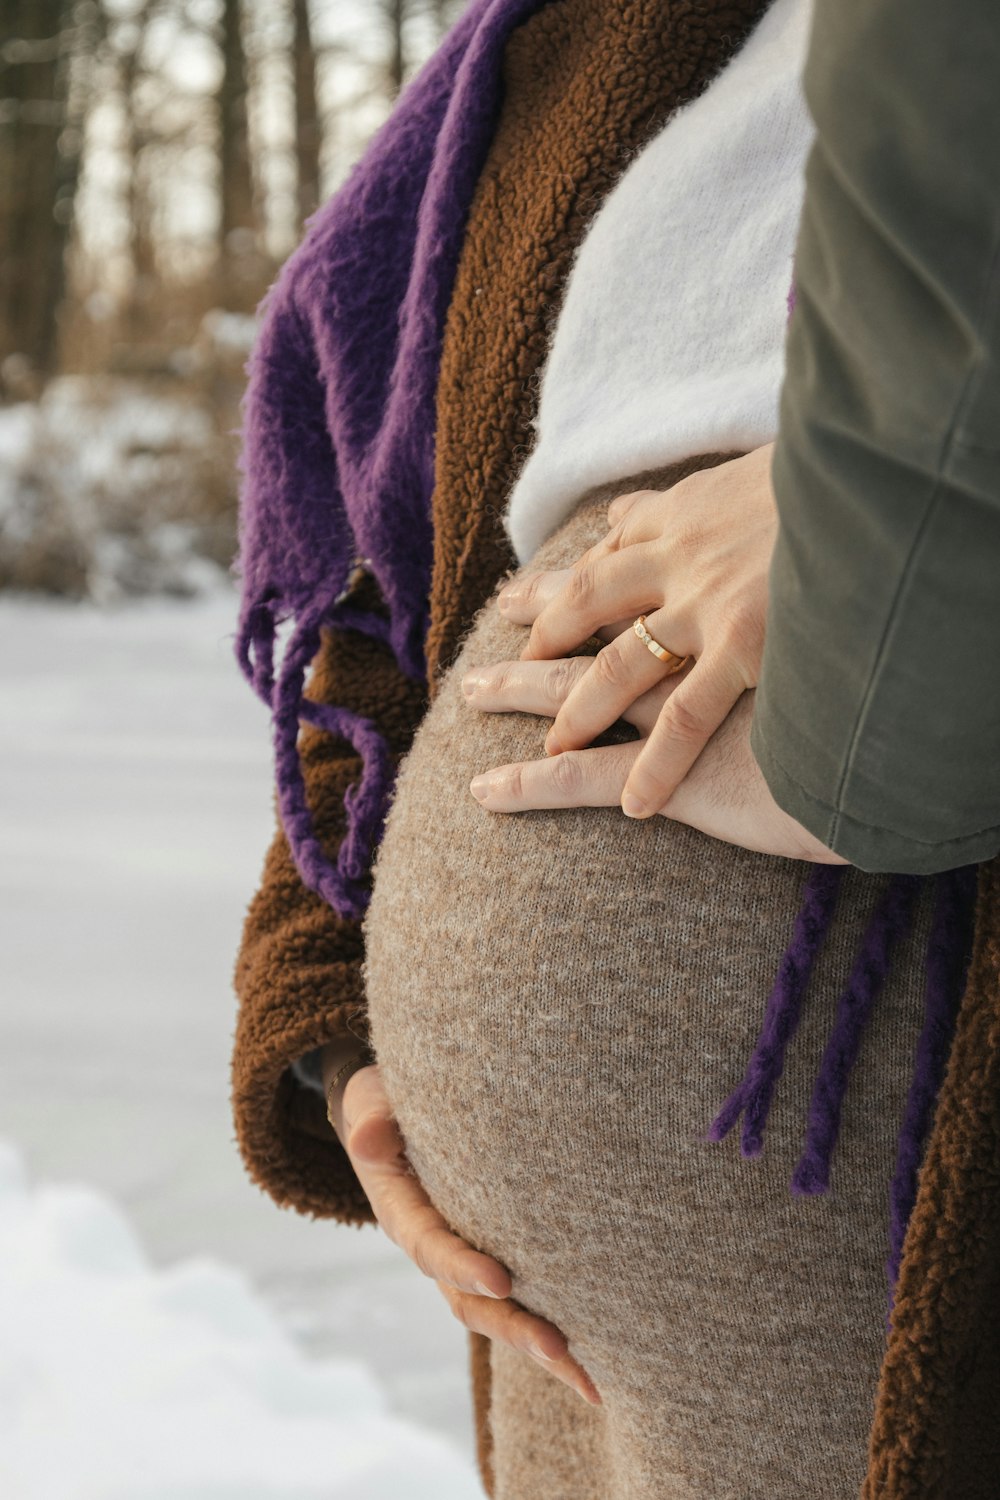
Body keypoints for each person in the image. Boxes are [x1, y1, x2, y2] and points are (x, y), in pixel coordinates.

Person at [231, 0, 1000, 1494]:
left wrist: (851, 529)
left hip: (860, 1187)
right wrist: (331, 1016)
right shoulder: (579, 39)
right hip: (547, 1322)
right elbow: (396, 581)